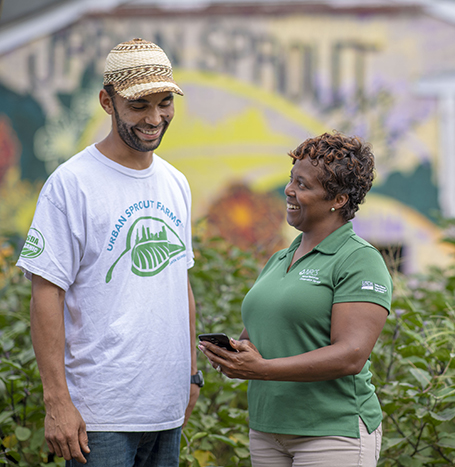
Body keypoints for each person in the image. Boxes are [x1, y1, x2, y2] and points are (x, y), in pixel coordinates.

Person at [16, 38, 201, 466]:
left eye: (164, 102)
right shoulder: (71, 183)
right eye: (139, 105)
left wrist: (190, 375)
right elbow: (47, 293)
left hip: (165, 408)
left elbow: (180, 282)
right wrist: (57, 402)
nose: (155, 118)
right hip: (98, 414)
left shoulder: (176, 183)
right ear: (107, 101)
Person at [199, 131, 392, 466]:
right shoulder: (279, 259)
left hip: (331, 433)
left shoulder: (358, 259)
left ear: (339, 199)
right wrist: (235, 354)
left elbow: (351, 355)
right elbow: (264, 337)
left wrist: (263, 369)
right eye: (291, 180)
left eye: (303, 185)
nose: (289, 190)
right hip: (268, 430)